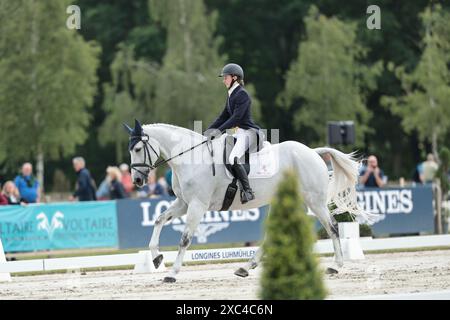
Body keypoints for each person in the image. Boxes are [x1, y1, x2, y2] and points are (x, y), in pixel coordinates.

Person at [204, 63, 262, 204]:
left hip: (248, 132)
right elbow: (223, 117)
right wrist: (208, 132)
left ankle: (247, 191)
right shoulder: (231, 95)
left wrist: (218, 131)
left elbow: (236, 118)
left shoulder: (242, 94)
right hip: (238, 132)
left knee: (233, 158)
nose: (223, 80)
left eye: (226, 77)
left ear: (234, 78)